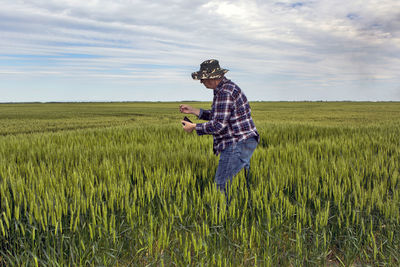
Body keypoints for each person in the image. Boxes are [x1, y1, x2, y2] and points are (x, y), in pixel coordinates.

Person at [180, 59, 259, 196]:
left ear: (213, 78)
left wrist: (194, 127)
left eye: (203, 78)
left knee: (221, 186)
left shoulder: (224, 92)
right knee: (240, 185)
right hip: (246, 140)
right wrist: (194, 111)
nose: (201, 82)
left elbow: (218, 125)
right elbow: (221, 115)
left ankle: (223, 215)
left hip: (236, 143)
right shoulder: (227, 88)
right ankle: (243, 210)